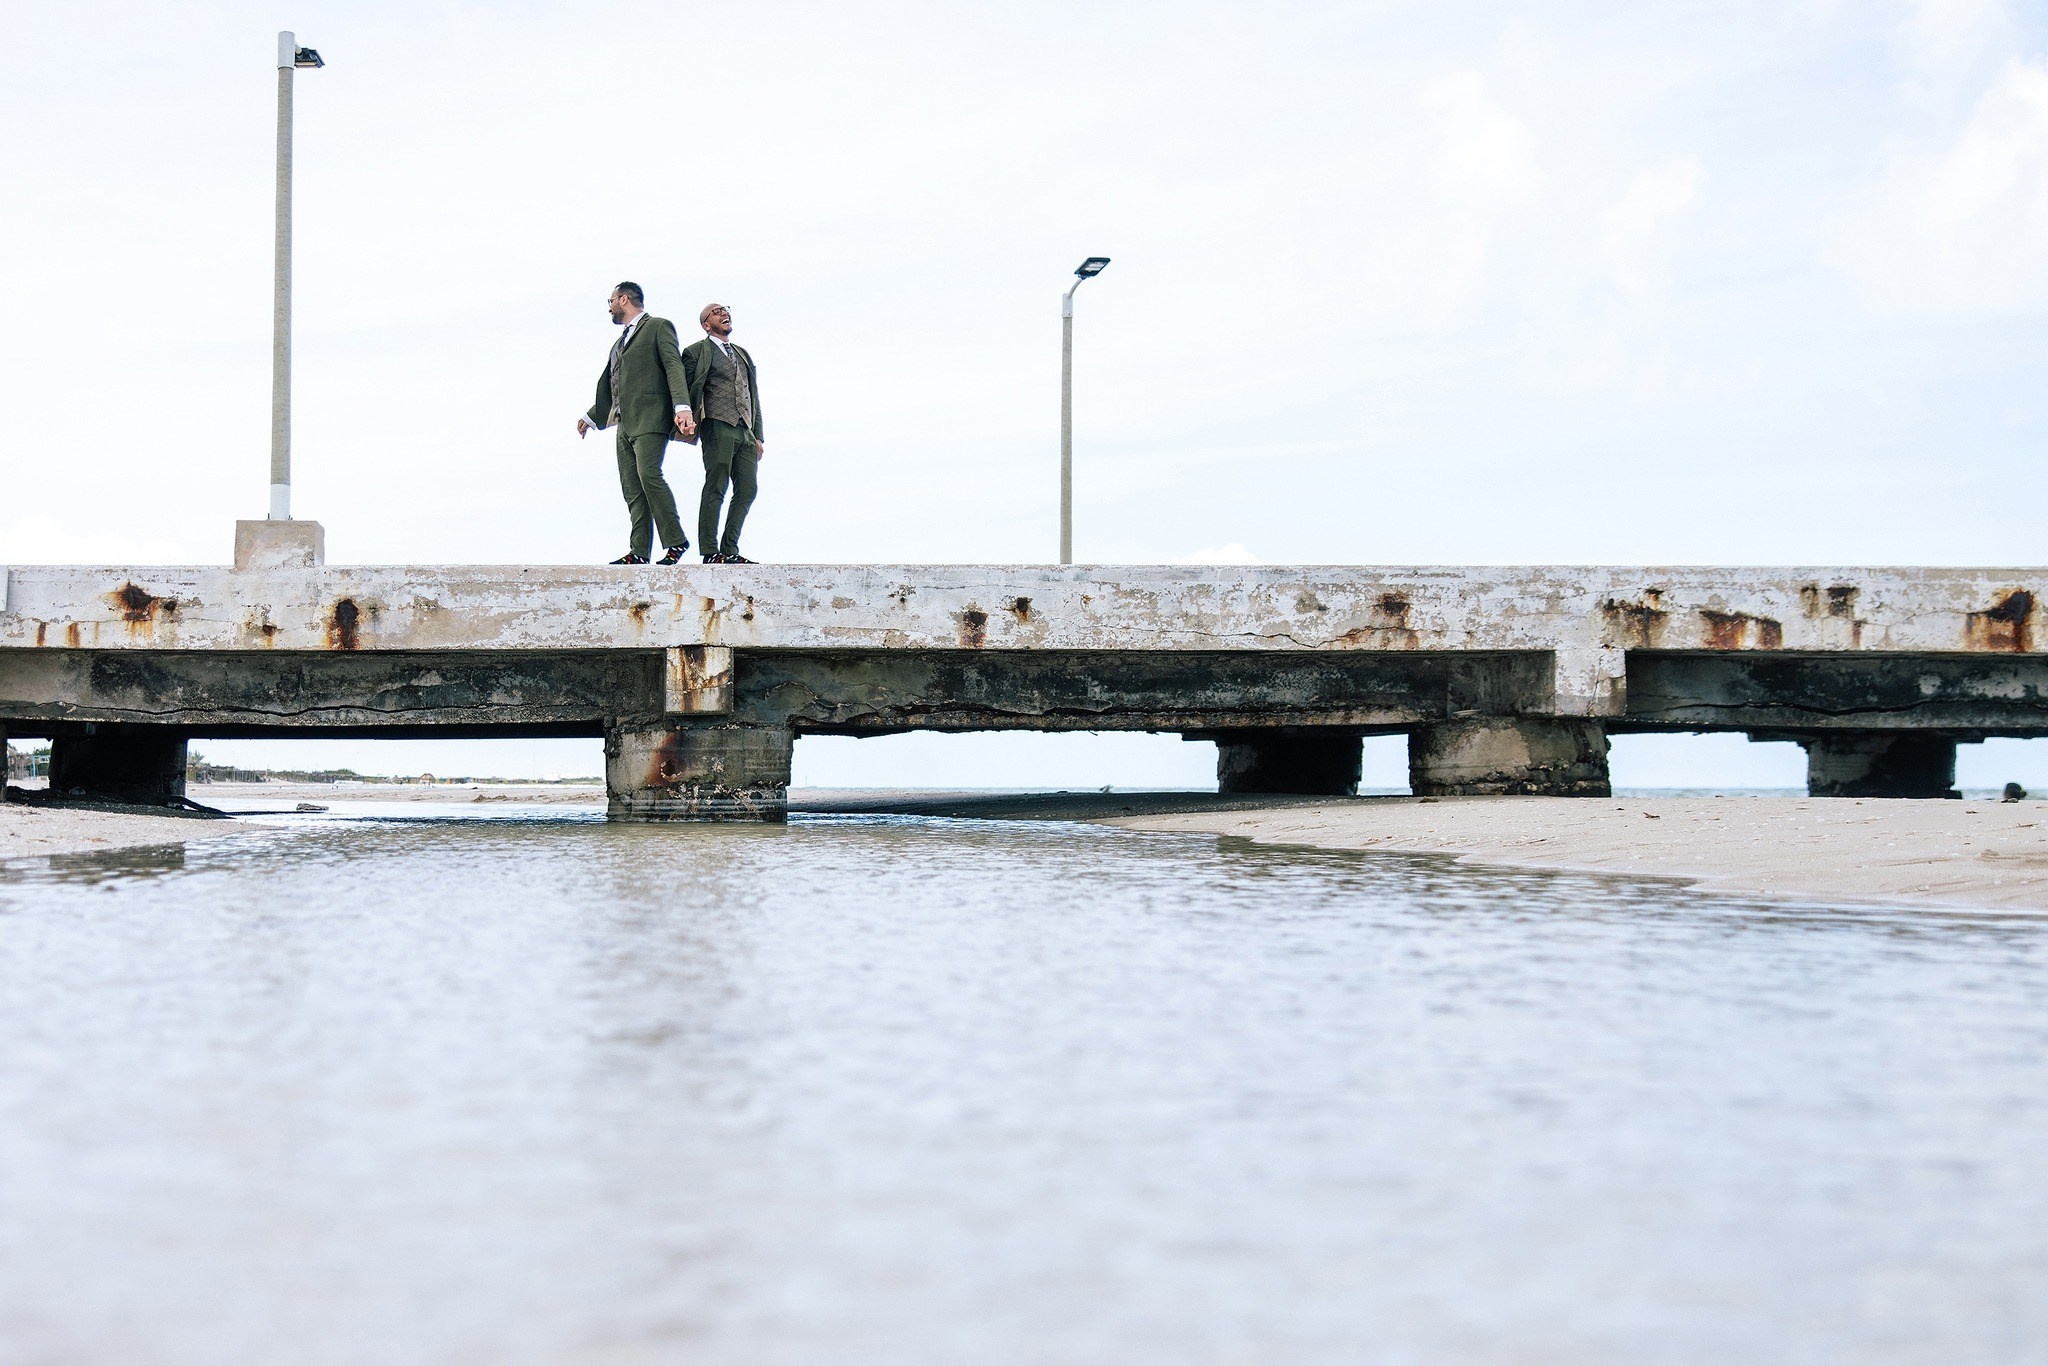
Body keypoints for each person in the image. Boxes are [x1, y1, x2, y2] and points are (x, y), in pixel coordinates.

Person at [576, 282, 696, 565]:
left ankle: (676, 541)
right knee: (632, 487)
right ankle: (639, 551)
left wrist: (682, 407)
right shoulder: (619, 343)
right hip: (624, 423)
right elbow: (618, 385)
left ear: (624, 299)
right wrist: (591, 417)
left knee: (649, 475)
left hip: (651, 417)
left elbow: (673, 366)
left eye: (611, 301)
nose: (609, 307)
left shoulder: (658, 326)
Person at [680, 303, 765, 564]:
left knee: (748, 489)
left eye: (725, 310)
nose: (724, 313)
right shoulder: (695, 351)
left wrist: (758, 435)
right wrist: (684, 415)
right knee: (716, 486)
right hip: (717, 425)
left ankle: (729, 549)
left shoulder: (742, 353)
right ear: (706, 325)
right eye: (716, 312)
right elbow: (683, 388)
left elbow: (753, 395)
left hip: (745, 430)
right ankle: (709, 551)